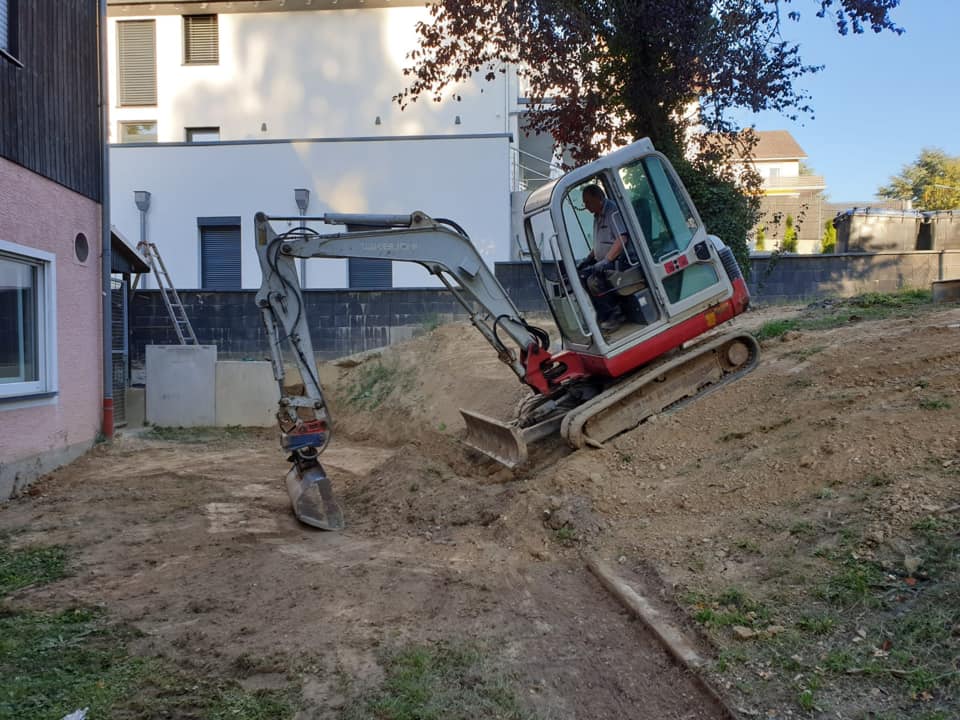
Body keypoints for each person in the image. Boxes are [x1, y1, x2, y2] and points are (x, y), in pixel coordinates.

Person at [579, 184, 628, 332]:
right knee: (581, 276)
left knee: (593, 281)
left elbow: (622, 238)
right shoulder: (598, 215)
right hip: (603, 259)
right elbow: (600, 241)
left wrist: (606, 260)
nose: (586, 206)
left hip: (618, 260)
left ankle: (616, 314)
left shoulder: (612, 211)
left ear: (598, 198)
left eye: (587, 202)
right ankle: (601, 315)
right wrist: (588, 258)